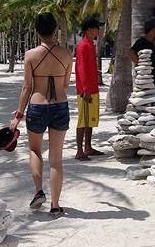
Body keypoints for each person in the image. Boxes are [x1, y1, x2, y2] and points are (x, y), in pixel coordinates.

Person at [9, 12, 73, 215]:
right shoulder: (66, 54)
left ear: (37, 31)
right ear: (55, 30)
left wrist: (18, 115)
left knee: (35, 151)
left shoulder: (30, 55)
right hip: (60, 106)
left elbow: (27, 88)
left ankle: (39, 192)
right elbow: (65, 84)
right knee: (56, 159)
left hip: (37, 106)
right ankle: (55, 205)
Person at [74, 15, 104, 160]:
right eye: (96, 28)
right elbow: (81, 68)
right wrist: (85, 88)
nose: (98, 31)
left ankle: (88, 147)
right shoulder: (83, 45)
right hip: (86, 90)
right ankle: (79, 151)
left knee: (90, 119)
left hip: (93, 87)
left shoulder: (90, 45)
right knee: (83, 119)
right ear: (89, 30)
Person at [129, 17, 155, 95]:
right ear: (153, 29)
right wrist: (141, 65)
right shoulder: (142, 42)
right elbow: (131, 52)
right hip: (148, 82)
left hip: (154, 81)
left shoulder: (151, 43)